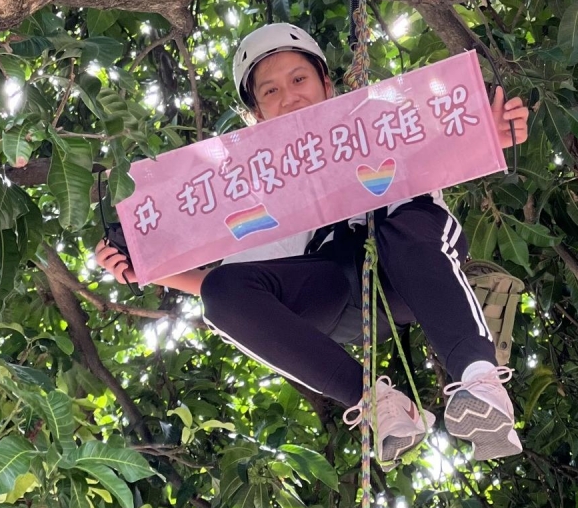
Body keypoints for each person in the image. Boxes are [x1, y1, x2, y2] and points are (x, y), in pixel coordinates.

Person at [96, 23, 530, 465]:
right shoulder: (254, 186)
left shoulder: (380, 124)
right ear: (257, 115)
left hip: (409, 264)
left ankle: (479, 381)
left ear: (327, 84)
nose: (289, 96)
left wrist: (489, 133)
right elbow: (234, 289)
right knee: (220, 291)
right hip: (333, 287)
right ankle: (374, 403)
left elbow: (448, 144)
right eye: (270, 91)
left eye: (299, 79)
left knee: (401, 226)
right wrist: (146, 267)